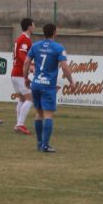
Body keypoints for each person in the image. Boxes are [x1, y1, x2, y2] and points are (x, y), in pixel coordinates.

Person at [23, 23, 75, 152]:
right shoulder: (58, 48)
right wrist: (71, 82)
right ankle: (45, 145)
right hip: (48, 86)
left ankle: (40, 143)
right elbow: (64, 66)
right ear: (55, 32)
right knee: (48, 115)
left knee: (39, 113)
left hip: (36, 84)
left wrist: (25, 78)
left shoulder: (35, 46)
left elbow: (26, 62)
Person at [11, 18, 35, 135]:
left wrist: (31, 64)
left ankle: (18, 125)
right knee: (30, 99)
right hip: (20, 73)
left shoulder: (19, 38)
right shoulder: (25, 39)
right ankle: (20, 124)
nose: (34, 27)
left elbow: (17, 54)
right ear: (29, 27)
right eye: (33, 25)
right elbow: (21, 54)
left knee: (21, 99)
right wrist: (30, 66)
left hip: (15, 73)